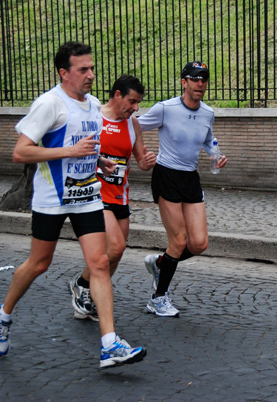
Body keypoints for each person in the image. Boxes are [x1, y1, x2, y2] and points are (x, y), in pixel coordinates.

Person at [0, 42, 146, 368]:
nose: (90, 74)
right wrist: (69, 153)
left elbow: (82, 145)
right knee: (39, 264)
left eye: (91, 68)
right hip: (53, 199)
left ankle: (109, 343)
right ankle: (2, 315)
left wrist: (99, 161)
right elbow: (21, 152)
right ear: (64, 73)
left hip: (87, 195)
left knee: (100, 263)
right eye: (83, 70)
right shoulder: (49, 104)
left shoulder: (92, 105)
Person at [138, 61, 227, 317]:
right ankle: (158, 298)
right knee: (177, 241)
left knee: (199, 243)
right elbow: (134, 126)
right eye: (195, 78)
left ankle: (160, 263)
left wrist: (216, 155)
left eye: (204, 79)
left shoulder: (208, 112)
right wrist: (140, 155)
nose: (200, 83)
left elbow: (209, 142)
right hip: (166, 175)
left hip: (190, 178)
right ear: (184, 82)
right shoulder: (165, 108)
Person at [68, 74, 156, 321]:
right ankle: (83, 287)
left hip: (120, 196)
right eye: (132, 101)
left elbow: (140, 160)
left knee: (116, 253)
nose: (135, 108)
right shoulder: (94, 116)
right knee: (115, 246)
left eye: (138, 103)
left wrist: (147, 162)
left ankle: (89, 294)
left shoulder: (133, 125)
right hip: (95, 193)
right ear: (118, 95)